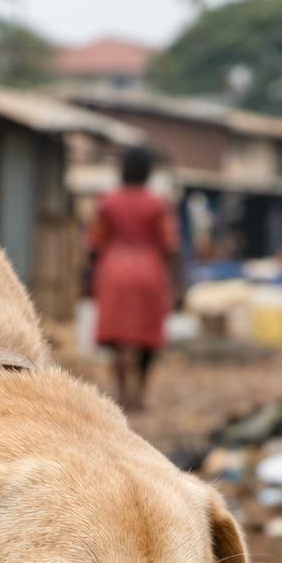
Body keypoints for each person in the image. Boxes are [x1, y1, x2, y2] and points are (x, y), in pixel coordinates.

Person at [90, 145, 179, 411]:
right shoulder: (159, 203)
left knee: (117, 337)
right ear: (148, 171)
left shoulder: (106, 201)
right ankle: (139, 394)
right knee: (146, 336)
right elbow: (170, 244)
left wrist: (91, 275)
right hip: (148, 272)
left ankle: (121, 393)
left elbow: (94, 242)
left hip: (114, 271)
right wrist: (173, 279)